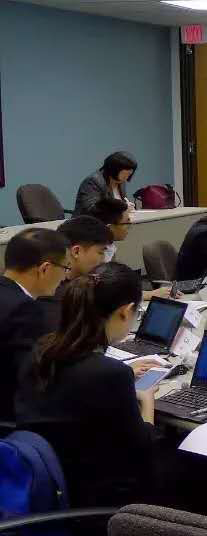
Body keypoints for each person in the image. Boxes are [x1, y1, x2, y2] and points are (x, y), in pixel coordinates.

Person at [15, 263, 159, 508]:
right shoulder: (111, 373)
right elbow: (142, 447)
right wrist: (147, 401)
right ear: (126, 312)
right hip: (94, 496)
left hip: (44, 480)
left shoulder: (41, 350)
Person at [0, 229, 70, 420]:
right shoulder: (24, 309)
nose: (65, 277)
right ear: (45, 268)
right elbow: (31, 377)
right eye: (65, 268)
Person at [34, 217, 115, 332]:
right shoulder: (52, 294)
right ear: (76, 251)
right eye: (100, 252)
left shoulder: (76, 285)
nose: (103, 260)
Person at [85, 198, 171, 301]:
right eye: (126, 223)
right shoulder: (92, 256)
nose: (129, 227)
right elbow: (105, 293)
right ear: (109, 228)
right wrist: (150, 294)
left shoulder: (109, 247)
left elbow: (117, 286)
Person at [75, 151, 137, 216]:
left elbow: (121, 204)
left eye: (129, 174)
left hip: (114, 221)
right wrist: (122, 208)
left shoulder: (121, 182)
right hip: (90, 221)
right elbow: (90, 210)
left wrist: (128, 206)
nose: (127, 178)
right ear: (114, 170)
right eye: (125, 174)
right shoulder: (93, 181)